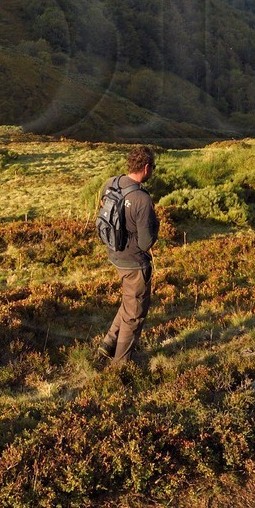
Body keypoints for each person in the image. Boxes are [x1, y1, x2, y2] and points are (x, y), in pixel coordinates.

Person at [97, 146, 159, 369]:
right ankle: (120, 366)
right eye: (153, 167)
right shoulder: (142, 199)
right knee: (134, 315)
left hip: (114, 255)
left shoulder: (111, 183)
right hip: (134, 263)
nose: (153, 171)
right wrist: (156, 226)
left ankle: (107, 345)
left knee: (128, 302)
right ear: (145, 167)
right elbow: (146, 243)